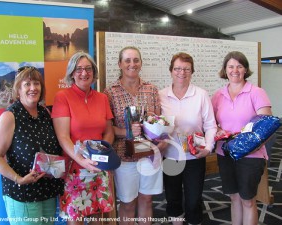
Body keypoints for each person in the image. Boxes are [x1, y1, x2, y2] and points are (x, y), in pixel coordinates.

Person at [0, 66, 64, 225]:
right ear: (18, 90)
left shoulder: (44, 113)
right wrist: (19, 179)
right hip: (22, 194)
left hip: (47, 191)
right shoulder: (10, 116)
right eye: (27, 84)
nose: (33, 88)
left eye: (36, 83)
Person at [104, 46, 166, 225]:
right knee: (128, 203)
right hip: (124, 156)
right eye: (128, 60)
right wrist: (127, 132)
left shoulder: (152, 89)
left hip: (148, 155)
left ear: (141, 63)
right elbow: (108, 128)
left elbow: (158, 122)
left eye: (136, 60)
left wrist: (161, 139)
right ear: (120, 64)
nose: (132, 64)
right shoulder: (110, 92)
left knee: (146, 200)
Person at [51, 51, 114, 225]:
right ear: (72, 73)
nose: (84, 73)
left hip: (99, 166)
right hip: (75, 168)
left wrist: (101, 155)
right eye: (79, 69)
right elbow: (63, 137)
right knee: (76, 219)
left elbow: (108, 131)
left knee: (97, 218)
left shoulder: (102, 98)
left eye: (88, 69)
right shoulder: (63, 97)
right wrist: (83, 160)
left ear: (94, 72)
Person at [211, 51, 272, 225]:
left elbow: (266, 126)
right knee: (234, 197)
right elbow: (212, 123)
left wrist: (249, 146)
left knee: (248, 200)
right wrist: (216, 130)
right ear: (225, 70)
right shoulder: (218, 95)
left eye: (239, 66)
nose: (235, 70)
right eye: (230, 66)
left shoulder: (256, 92)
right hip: (225, 154)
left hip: (251, 156)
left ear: (245, 69)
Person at [159, 52, 217, 225]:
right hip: (170, 156)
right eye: (177, 68)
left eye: (186, 69)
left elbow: (210, 125)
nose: (181, 73)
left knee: (193, 200)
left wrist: (208, 147)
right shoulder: (161, 95)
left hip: (194, 156)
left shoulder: (201, 94)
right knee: (173, 198)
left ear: (192, 71)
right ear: (171, 71)